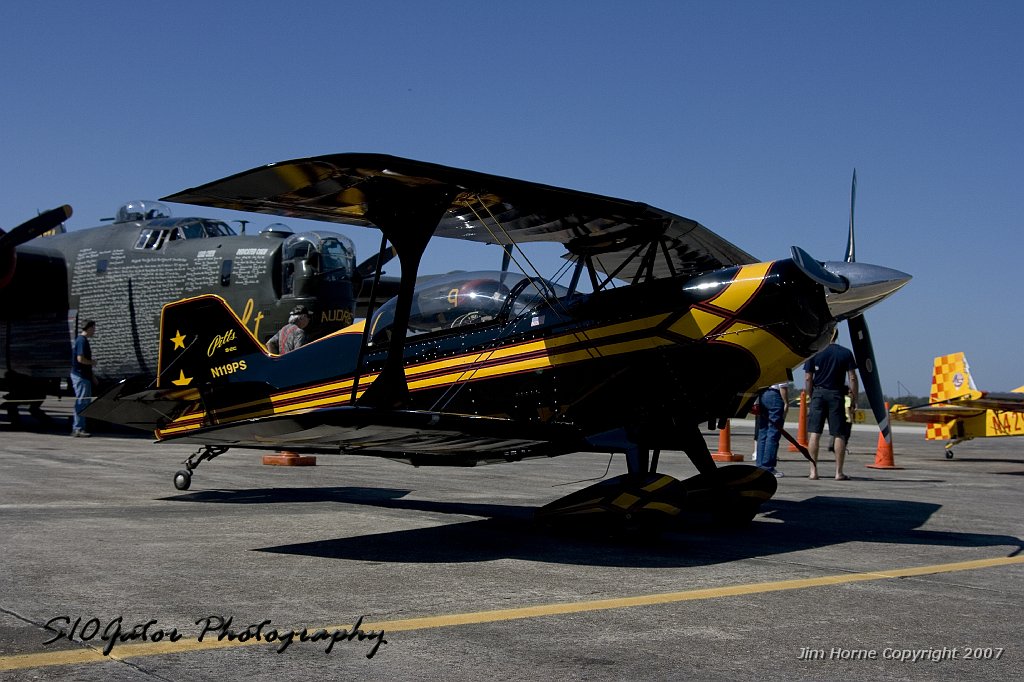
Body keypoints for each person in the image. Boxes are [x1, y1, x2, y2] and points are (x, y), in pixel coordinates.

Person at [803, 331, 858, 480]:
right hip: (836, 394)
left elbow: (808, 378)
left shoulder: (814, 352)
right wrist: (854, 397)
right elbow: (852, 377)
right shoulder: (845, 353)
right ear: (836, 335)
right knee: (839, 433)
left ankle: (813, 471)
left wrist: (811, 395)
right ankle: (838, 472)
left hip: (818, 394)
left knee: (815, 433)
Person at [755, 382, 789, 477]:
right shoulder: (781, 366)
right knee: (773, 433)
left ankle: (760, 465)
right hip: (775, 395)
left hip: (763, 393)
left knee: (763, 432)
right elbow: (783, 385)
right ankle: (768, 467)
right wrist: (786, 402)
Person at [70, 319, 96, 437]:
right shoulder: (82, 341)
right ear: (89, 328)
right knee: (82, 402)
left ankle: (81, 427)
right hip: (80, 376)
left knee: (85, 402)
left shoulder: (83, 340)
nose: (94, 331)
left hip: (84, 376)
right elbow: (80, 359)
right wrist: (92, 362)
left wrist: (92, 376)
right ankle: (78, 428)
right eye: (93, 328)